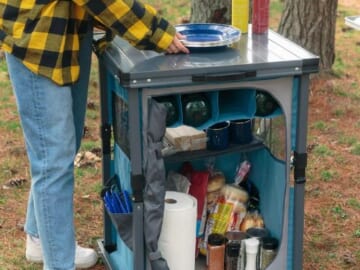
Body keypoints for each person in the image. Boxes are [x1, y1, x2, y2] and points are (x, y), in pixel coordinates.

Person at [0, 0, 189, 269]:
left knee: (64, 145)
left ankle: (42, 238)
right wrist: (157, 31)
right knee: (52, 159)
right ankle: (58, 263)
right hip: (36, 40)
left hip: (69, 32)